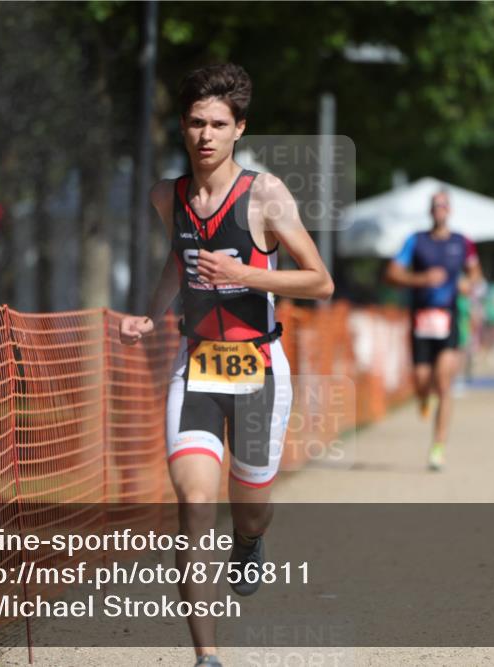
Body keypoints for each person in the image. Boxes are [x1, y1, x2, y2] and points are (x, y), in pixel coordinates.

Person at [118, 63, 333, 667]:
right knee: (192, 505)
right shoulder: (170, 196)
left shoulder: (265, 196)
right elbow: (177, 261)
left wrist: (246, 274)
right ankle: (207, 657)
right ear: (183, 128)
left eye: (218, 124)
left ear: (240, 128)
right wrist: (151, 315)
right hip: (197, 368)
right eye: (195, 123)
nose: (205, 135)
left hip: (260, 367)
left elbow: (321, 280)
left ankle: (250, 540)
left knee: (252, 508)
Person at [385, 188, 481, 471]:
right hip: (421, 320)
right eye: (435, 205)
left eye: (444, 205)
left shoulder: (463, 242)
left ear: (449, 210)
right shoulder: (416, 241)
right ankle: (423, 399)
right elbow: (392, 273)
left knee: (444, 382)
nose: (440, 209)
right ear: (430, 211)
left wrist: (468, 283)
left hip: (449, 319)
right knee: (422, 381)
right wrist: (421, 279)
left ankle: (438, 446)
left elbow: (476, 273)